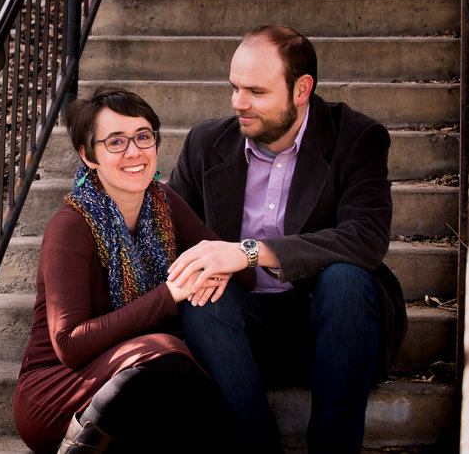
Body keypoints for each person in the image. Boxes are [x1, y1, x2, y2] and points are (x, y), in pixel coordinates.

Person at [166, 25, 407, 453]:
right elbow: (168, 235)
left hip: (331, 326)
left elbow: (365, 238)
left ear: (301, 90)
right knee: (201, 294)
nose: (238, 103)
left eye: (256, 92)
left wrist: (249, 252)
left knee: (347, 279)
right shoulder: (206, 142)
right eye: (235, 88)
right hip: (240, 334)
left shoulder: (357, 138)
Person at [12, 86, 252, 453]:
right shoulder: (71, 226)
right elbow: (70, 343)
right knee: (167, 355)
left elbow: (241, 273)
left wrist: (221, 263)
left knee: (175, 364)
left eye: (143, 136)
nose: (134, 151)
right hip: (61, 392)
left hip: (139, 375)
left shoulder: (163, 204)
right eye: (116, 142)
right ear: (88, 155)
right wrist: (169, 294)